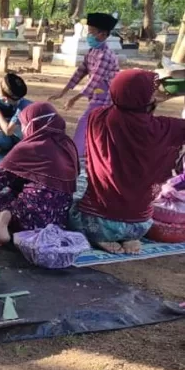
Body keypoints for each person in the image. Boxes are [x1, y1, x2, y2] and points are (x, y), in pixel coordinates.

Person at [69, 69, 185, 254]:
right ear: (147, 99)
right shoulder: (163, 128)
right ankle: (130, 237)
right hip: (141, 224)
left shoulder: (97, 117)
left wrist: (147, 100)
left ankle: (101, 238)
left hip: (96, 222)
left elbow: (121, 107)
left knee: (71, 201)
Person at [0, 102, 80, 247]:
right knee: (16, 192)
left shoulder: (30, 147)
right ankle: (8, 231)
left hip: (26, 216)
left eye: (24, 124)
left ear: (33, 124)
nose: (22, 129)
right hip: (55, 220)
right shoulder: (68, 145)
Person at [49, 12, 119, 157]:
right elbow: (80, 72)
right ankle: (94, 153)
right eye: (89, 31)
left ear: (103, 34)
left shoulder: (105, 55)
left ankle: (75, 153)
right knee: (98, 124)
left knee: (85, 120)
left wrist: (74, 99)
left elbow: (95, 80)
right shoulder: (92, 51)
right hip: (96, 93)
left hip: (106, 94)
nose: (89, 35)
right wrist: (63, 91)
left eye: (92, 32)